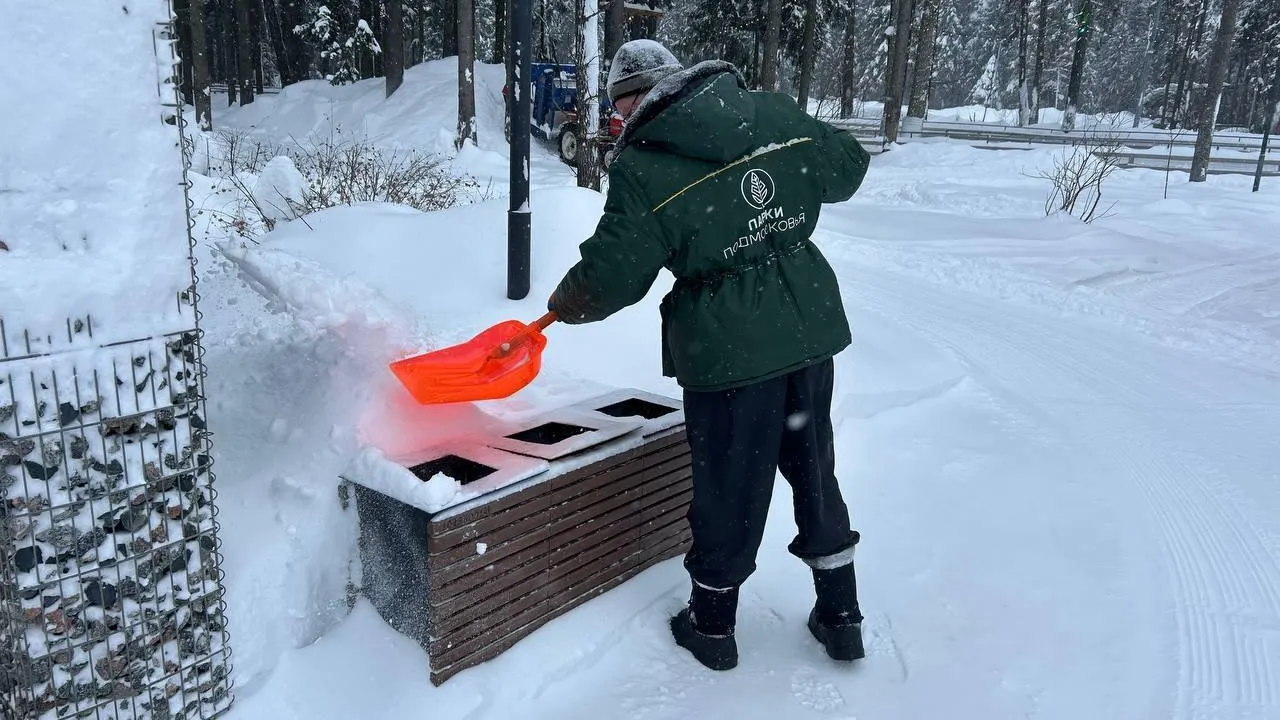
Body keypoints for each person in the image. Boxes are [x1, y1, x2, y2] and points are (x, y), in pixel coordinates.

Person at [546, 39, 872, 671]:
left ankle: (713, 626)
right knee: (814, 468)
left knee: (729, 485)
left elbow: (614, 275)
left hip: (728, 353)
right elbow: (847, 166)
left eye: (620, 107)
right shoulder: (769, 114)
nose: (620, 119)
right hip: (806, 331)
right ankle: (842, 617)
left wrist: (561, 305)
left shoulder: (645, 166)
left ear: (635, 99)